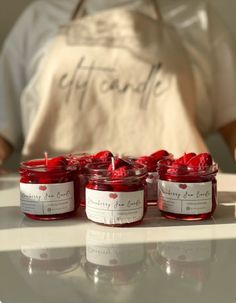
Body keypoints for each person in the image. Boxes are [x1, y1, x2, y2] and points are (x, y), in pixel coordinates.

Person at [0, 0, 236, 167]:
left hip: (178, 201)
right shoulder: (40, 16)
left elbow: (232, 121)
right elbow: (3, 124)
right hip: (54, 200)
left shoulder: (197, 17)